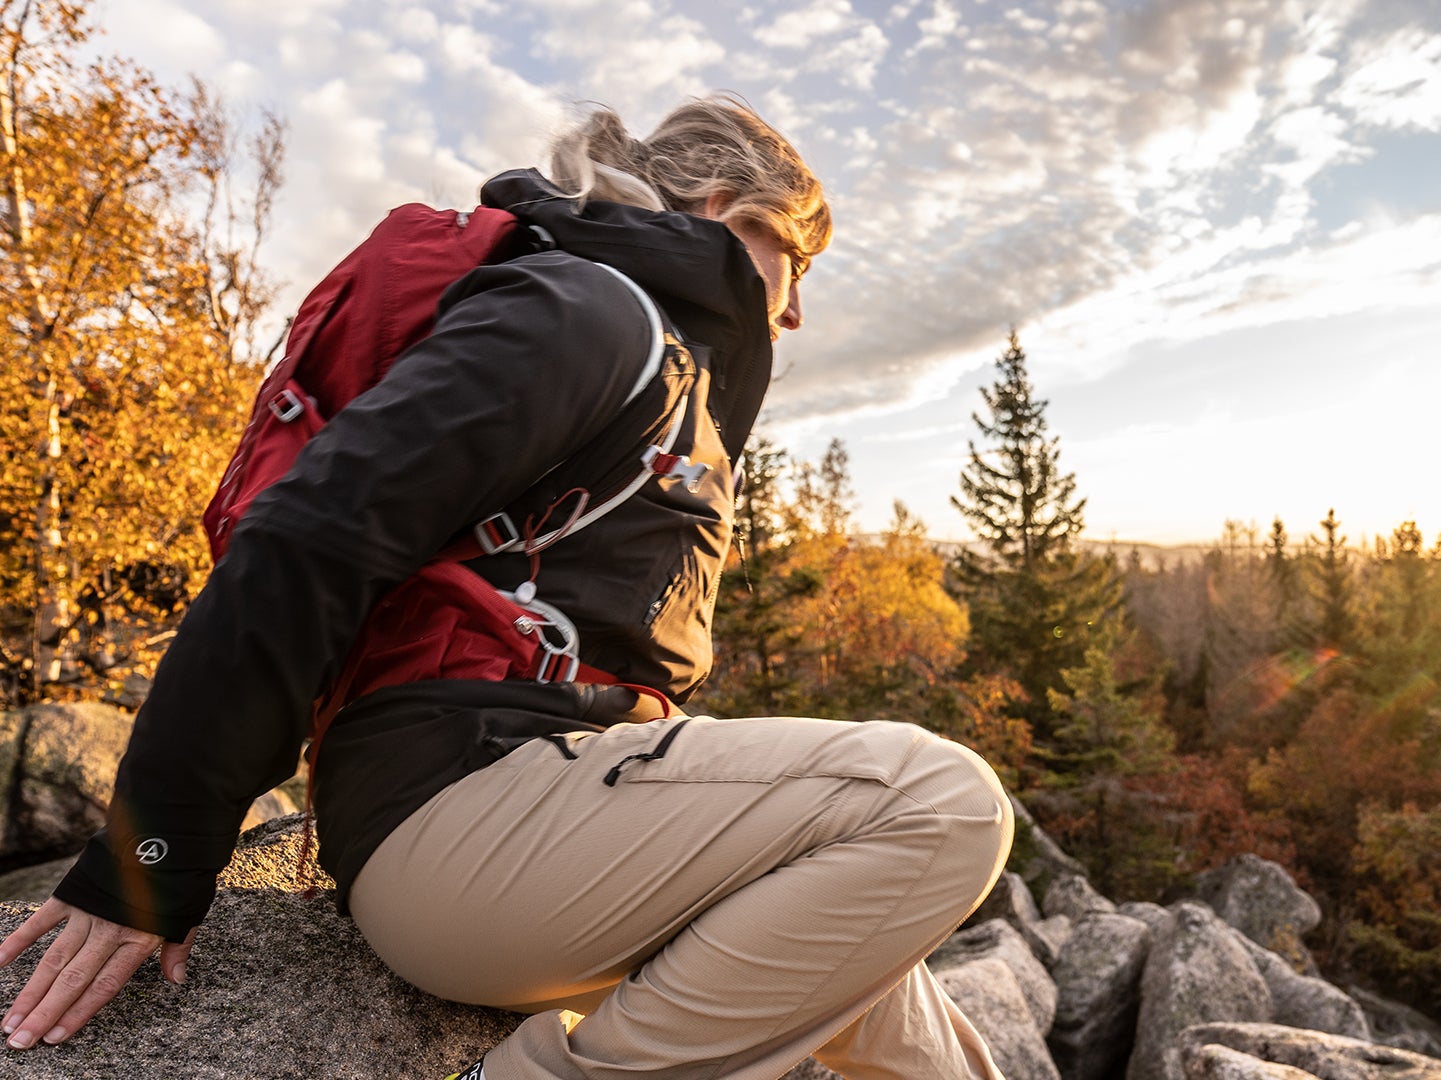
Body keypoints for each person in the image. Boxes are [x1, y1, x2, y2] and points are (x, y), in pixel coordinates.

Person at [0, 96, 1013, 1080]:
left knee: (886, 978)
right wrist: (150, 856)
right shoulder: (586, 310)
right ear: (720, 209)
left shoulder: (653, 362)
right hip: (454, 816)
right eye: (796, 262)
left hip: (540, 810)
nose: (795, 309)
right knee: (941, 805)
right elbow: (306, 540)